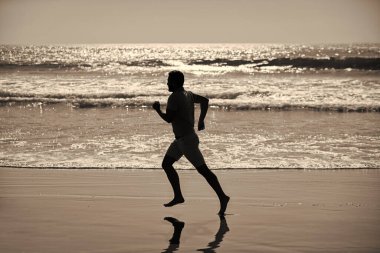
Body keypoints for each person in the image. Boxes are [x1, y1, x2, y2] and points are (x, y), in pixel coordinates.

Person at [152, 70, 230, 216]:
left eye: (169, 80)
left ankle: (223, 197)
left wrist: (157, 110)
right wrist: (201, 120)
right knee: (166, 164)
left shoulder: (174, 97)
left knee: (204, 171)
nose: (167, 83)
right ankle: (178, 196)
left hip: (187, 141)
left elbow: (169, 119)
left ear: (175, 82)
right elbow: (205, 101)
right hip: (181, 140)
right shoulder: (188, 94)